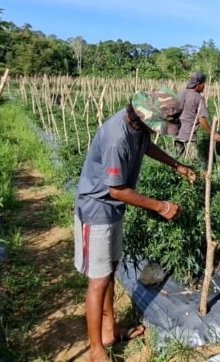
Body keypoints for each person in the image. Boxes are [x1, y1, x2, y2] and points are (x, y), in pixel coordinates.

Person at [74, 90, 197, 362]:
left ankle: (110, 330)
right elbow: (116, 190)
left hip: (112, 209)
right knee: (97, 280)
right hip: (96, 210)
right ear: (147, 117)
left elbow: (146, 146)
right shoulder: (116, 138)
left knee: (110, 270)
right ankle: (96, 350)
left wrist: (176, 164)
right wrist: (161, 206)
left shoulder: (136, 124)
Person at [175, 71, 220, 157]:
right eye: (203, 84)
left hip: (177, 134)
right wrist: (213, 133)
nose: (204, 86)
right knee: (193, 162)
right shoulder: (198, 98)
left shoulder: (180, 94)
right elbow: (202, 120)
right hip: (189, 136)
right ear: (198, 84)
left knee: (177, 160)